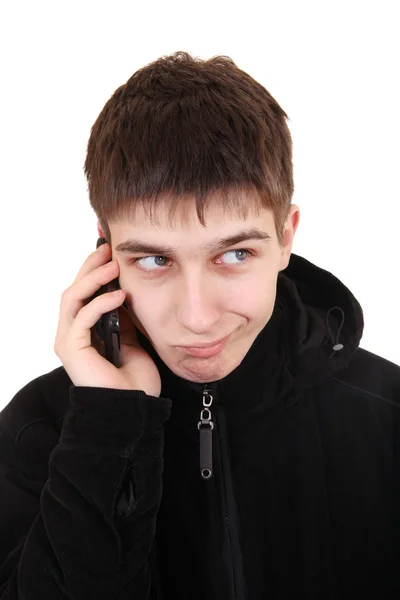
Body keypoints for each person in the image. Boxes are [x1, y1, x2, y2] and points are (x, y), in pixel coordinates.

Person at [0, 51, 399, 600]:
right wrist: (109, 434)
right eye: (155, 260)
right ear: (105, 248)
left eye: (234, 254)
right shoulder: (38, 432)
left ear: (286, 237)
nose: (197, 316)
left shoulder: (388, 413)